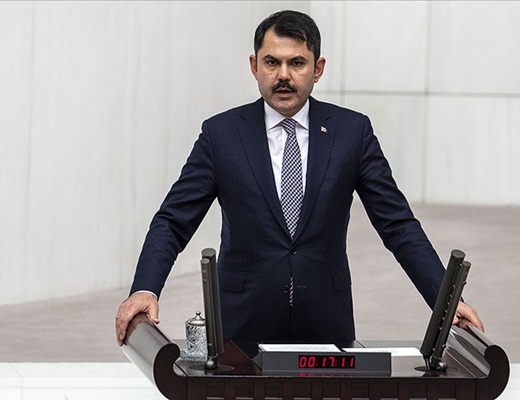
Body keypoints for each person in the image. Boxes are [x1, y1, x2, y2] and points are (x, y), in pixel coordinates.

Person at [115, 10, 483, 345]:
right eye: (271, 62)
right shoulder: (222, 135)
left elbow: (398, 225)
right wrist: (145, 288)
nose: (283, 76)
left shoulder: (351, 133)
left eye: (297, 63)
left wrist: (446, 302)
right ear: (254, 66)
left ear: (317, 68)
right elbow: (173, 221)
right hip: (240, 329)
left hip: (327, 326)